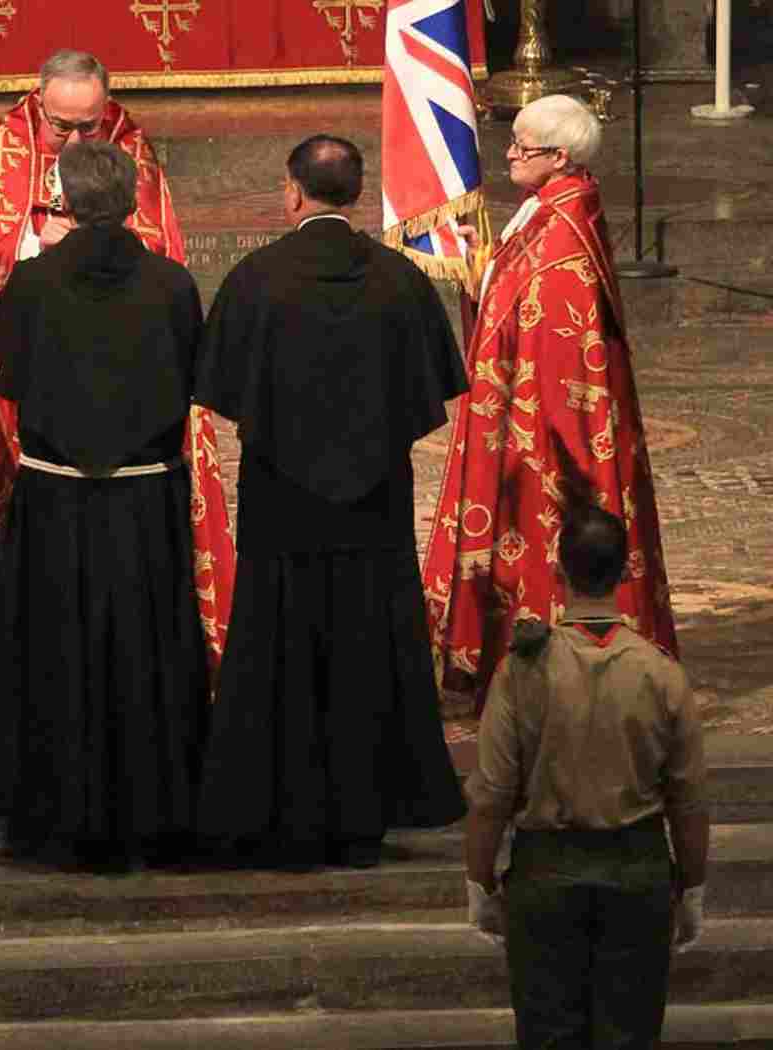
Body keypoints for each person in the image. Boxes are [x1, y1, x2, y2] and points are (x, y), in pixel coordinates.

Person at [0, 48, 235, 690]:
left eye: (88, 127)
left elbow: (158, 251)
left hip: (125, 390)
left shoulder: (132, 151)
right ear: (38, 103)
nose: (75, 142)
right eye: (61, 127)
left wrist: (77, 248)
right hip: (39, 381)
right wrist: (33, 248)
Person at [194, 135, 467, 868]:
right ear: (358, 192)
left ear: (292, 192)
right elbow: (431, 391)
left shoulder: (255, 279)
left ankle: (278, 809)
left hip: (281, 504)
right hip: (374, 505)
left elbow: (220, 388)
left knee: (278, 648)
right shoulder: (400, 280)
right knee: (370, 650)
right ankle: (367, 812)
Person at [0, 142, 209, 870]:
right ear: (133, 202)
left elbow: (10, 378)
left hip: (58, 500)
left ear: (65, 203)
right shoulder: (171, 283)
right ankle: (157, 812)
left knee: (55, 653)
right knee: (144, 649)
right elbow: (192, 375)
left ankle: (51, 816)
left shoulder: (34, 281)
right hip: (143, 501)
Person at [421, 94, 677, 710]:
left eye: (522, 146)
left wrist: (567, 459)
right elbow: (512, 301)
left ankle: (551, 675)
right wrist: (481, 271)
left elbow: (564, 357)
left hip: (546, 446)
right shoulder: (552, 208)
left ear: (560, 157)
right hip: (525, 422)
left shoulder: (564, 238)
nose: (509, 154)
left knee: (543, 557)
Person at [464, 502, 709, 1050]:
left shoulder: (521, 671)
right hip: (637, 874)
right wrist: (692, 886)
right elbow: (688, 798)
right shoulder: (662, 673)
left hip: (546, 875)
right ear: (624, 574)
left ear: (558, 572)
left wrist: (478, 881)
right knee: (630, 1035)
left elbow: (492, 794)